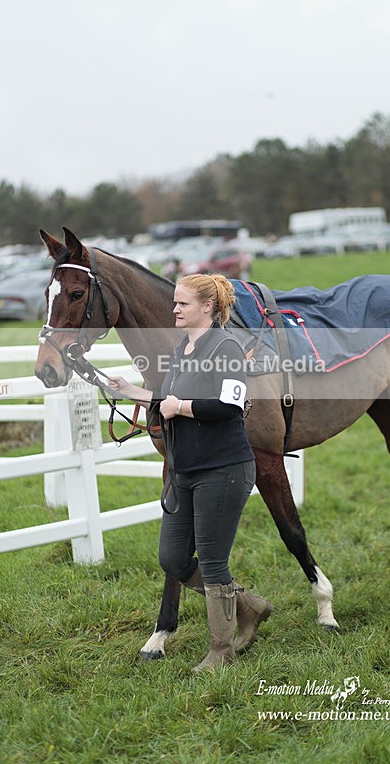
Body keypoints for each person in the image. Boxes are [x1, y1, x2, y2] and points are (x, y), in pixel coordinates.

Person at [107, 273, 273, 671]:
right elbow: (168, 397)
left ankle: (221, 650)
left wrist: (179, 407)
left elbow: (229, 405)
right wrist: (133, 392)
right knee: (173, 559)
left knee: (213, 563)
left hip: (224, 469)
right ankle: (248, 606)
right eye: (175, 302)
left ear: (208, 308)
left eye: (182, 304)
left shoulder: (227, 347)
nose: (174, 309)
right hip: (186, 470)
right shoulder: (184, 347)